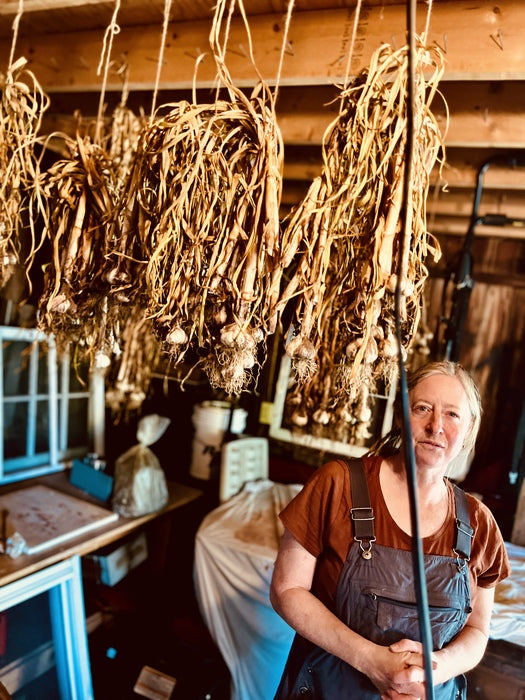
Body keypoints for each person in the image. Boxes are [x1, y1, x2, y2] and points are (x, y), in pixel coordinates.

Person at [270, 360, 511, 700]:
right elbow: (287, 590)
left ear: (470, 428)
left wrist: (432, 669)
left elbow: (476, 629)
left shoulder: (478, 522)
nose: (435, 426)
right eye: (422, 408)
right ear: (401, 417)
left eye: (453, 414)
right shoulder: (337, 484)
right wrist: (370, 660)